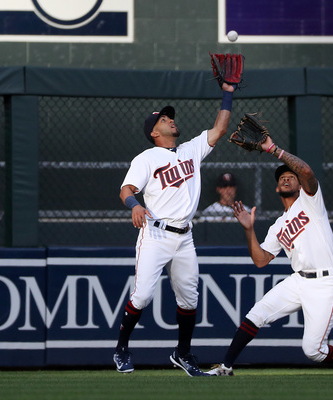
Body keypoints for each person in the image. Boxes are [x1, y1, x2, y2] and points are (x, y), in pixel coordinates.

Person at [206, 135, 333, 377]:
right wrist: (249, 230)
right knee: (256, 313)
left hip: (326, 281)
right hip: (299, 280)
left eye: (291, 177)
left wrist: (274, 150)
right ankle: (226, 367)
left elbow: (306, 172)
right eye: (282, 178)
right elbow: (261, 260)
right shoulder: (277, 226)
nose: (286, 178)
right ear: (277, 188)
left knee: (313, 351)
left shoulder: (310, 202)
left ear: (300, 185)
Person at [114, 80, 237, 377]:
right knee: (142, 296)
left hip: (184, 237)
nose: (170, 120)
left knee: (189, 299)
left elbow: (220, 128)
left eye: (170, 117)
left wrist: (228, 93)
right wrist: (135, 205)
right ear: (154, 133)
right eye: (164, 119)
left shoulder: (191, 150)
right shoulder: (146, 158)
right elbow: (126, 189)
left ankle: (182, 353)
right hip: (155, 234)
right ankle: (121, 350)